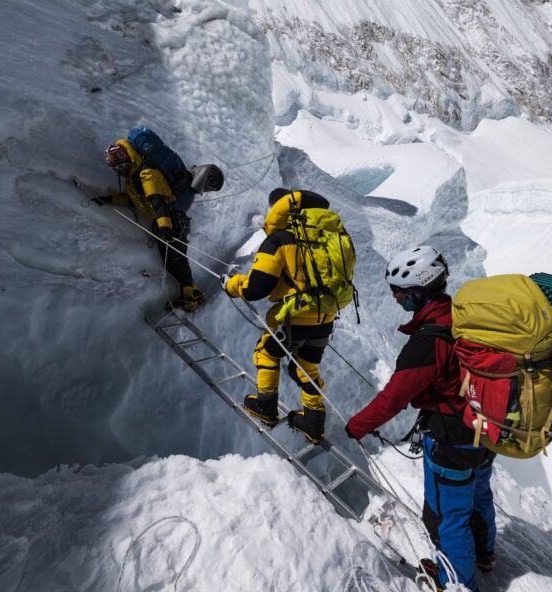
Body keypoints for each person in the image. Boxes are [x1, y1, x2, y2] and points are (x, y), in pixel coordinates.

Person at [344, 245, 496, 592]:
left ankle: (457, 584)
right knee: (479, 495)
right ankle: (484, 555)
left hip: (451, 437)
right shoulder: (462, 316)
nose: (396, 298)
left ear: (417, 290)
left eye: (398, 291)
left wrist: (356, 427)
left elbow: (394, 397)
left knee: (448, 519)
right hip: (486, 425)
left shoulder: (427, 342)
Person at [221, 188, 338, 444]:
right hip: (327, 316)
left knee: (266, 352)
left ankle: (265, 407)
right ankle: (314, 422)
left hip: (293, 317)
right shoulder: (326, 238)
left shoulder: (280, 240)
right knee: (307, 367)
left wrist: (231, 285)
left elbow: (255, 289)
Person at [98, 136, 204, 311]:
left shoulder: (146, 173)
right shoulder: (133, 178)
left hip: (171, 220)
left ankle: (192, 293)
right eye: (117, 169)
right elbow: (136, 202)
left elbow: (158, 201)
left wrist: (165, 227)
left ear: (127, 160)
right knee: (172, 259)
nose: (120, 172)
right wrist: (110, 199)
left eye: (121, 167)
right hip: (165, 222)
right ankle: (190, 291)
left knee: (176, 258)